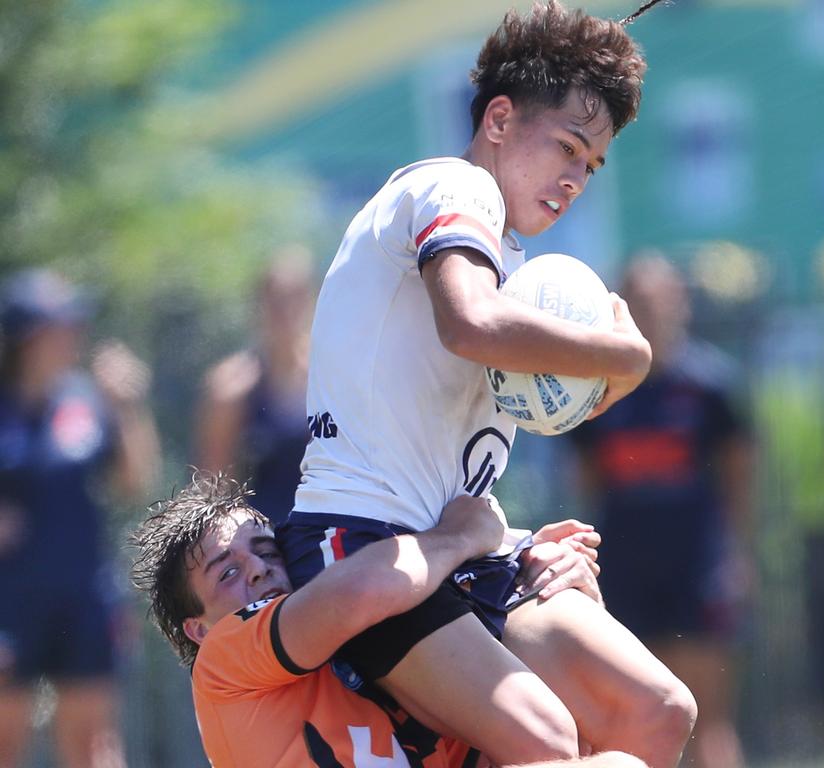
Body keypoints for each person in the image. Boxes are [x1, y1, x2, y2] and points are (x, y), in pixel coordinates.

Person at [276, 2, 696, 767]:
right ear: (497, 119)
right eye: (566, 146)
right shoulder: (453, 188)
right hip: (364, 546)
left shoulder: (509, 260)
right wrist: (621, 357)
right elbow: (469, 326)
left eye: (591, 164)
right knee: (546, 741)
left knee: (655, 712)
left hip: (467, 551)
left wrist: (599, 384)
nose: (575, 179)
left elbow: (523, 393)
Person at [129, 470, 627, 768]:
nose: (259, 568)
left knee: (640, 724)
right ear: (198, 627)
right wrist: (467, 537)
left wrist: (546, 579)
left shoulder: (369, 654)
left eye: (265, 550)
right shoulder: (222, 660)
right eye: (228, 572)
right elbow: (359, 589)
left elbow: (560, 731)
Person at [571, 254, 754, 768]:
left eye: (658, 299)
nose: (649, 310)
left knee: (707, 721)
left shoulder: (711, 385)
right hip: (623, 567)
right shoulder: (598, 388)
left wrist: (736, 554)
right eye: (636, 300)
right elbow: (588, 477)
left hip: (697, 567)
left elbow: (740, 475)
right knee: (625, 718)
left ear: (680, 304)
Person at [0, 268, 161, 768]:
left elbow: (136, 482)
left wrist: (128, 408)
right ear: (30, 336)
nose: (77, 334)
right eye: (64, 324)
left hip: (83, 590)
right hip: (9, 596)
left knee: (93, 742)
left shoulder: (85, 400)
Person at [195, 246, 315, 525]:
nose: (285, 311)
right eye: (275, 299)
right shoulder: (230, 389)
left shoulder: (331, 376)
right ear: (258, 304)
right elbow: (213, 490)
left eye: (294, 298)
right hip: (261, 543)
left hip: (322, 534)